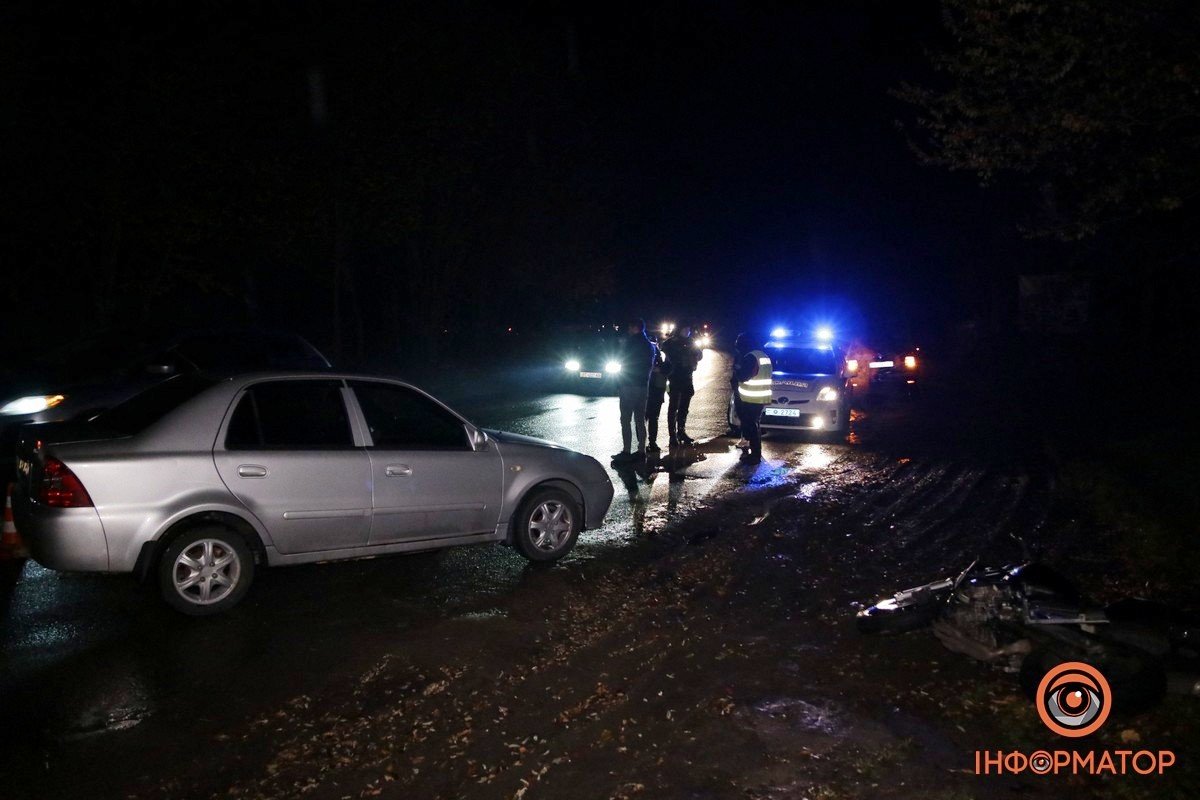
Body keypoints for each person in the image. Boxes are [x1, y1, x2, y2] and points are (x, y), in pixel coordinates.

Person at [612, 318, 656, 463]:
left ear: (634, 327)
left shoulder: (629, 344)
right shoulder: (649, 345)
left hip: (628, 385)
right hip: (643, 386)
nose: (629, 330)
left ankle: (626, 451)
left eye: (630, 327)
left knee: (625, 419)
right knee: (639, 419)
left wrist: (619, 383)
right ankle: (641, 450)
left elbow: (623, 364)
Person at [732, 332, 772, 463]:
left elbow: (744, 376)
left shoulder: (750, 357)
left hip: (750, 398)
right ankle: (755, 453)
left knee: (751, 426)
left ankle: (755, 456)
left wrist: (737, 370)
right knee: (754, 425)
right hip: (759, 397)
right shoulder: (763, 355)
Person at [659, 320, 702, 445]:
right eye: (685, 329)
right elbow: (669, 357)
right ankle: (673, 436)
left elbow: (699, 355)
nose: (687, 332)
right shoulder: (671, 343)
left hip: (687, 377)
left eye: (688, 330)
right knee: (673, 407)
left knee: (684, 407)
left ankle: (681, 432)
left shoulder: (691, 342)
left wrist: (694, 356)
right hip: (675, 378)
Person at [645, 340, 671, 452]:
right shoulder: (645, 358)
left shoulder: (660, 357)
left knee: (651, 418)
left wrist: (658, 369)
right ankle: (644, 443)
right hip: (648, 392)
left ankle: (651, 442)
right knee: (645, 419)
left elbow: (668, 368)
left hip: (655, 392)